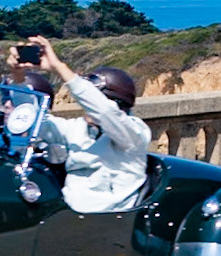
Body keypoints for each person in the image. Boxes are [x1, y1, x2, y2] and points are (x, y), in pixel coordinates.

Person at [15, 35, 151, 213]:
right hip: (69, 218)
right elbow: (34, 122)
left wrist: (60, 68)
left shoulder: (134, 134)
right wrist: (17, 76)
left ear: (118, 105)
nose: (87, 108)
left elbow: (104, 112)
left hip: (111, 220)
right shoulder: (77, 129)